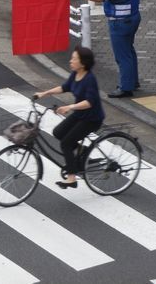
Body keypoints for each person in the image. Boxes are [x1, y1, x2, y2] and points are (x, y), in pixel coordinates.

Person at [67, 0, 142, 98]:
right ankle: (133, 81)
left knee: (122, 55)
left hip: (120, 22)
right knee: (128, 51)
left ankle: (126, 87)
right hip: (132, 18)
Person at [34, 46, 105, 189]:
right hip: (80, 115)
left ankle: (72, 178)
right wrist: (44, 93)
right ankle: (83, 152)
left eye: (74, 59)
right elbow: (64, 87)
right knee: (58, 132)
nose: (70, 60)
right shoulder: (76, 74)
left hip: (92, 119)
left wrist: (69, 107)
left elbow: (90, 102)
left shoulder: (89, 79)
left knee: (66, 143)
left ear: (83, 63)